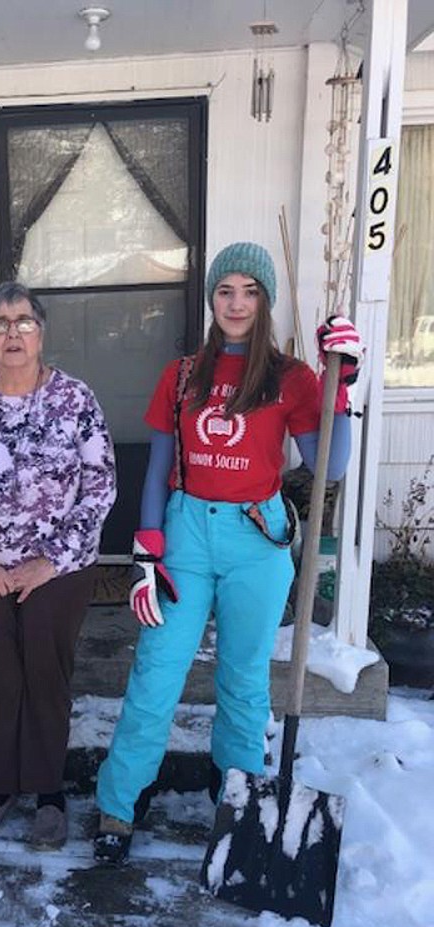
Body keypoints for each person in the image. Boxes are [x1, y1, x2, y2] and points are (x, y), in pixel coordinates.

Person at [93, 241, 363, 865]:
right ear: (211, 299)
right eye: (225, 290)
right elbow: (159, 463)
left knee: (244, 679)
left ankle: (238, 794)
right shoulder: (183, 374)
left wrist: (339, 386)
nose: (236, 303)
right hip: (186, 533)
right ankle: (119, 801)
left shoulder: (292, 377)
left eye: (250, 290)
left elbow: (332, 466)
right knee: (157, 673)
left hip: (256, 538)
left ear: (266, 299)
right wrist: (146, 549)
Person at [0, 281, 117, 850]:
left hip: (58, 570)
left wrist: (51, 561)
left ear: (41, 332)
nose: (12, 333)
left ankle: (49, 792)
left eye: (23, 321)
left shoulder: (75, 400)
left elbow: (101, 485)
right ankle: (0, 786)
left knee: (45, 675)